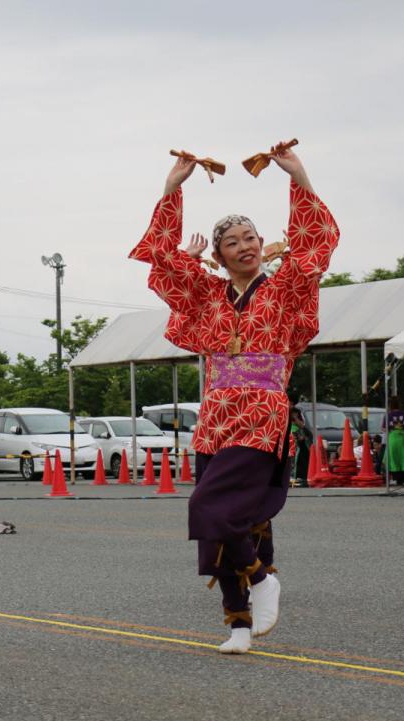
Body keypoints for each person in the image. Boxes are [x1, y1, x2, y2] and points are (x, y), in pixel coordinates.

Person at [129, 143, 338, 653]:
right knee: (230, 522)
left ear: (262, 244)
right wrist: (171, 190)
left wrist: (298, 177)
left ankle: (263, 579)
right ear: (219, 257)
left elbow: (316, 244)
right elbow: (162, 262)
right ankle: (239, 623)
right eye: (232, 242)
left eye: (251, 238)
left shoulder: (285, 288)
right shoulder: (204, 295)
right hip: (216, 416)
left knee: (209, 506)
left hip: (264, 413)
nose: (243, 246)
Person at [289, 406, 313, 487]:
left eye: (296, 414)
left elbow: (304, 430)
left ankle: (297, 477)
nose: (294, 415)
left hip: (297, 445)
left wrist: (296, 419)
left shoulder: (299, 424)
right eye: (293, 414)